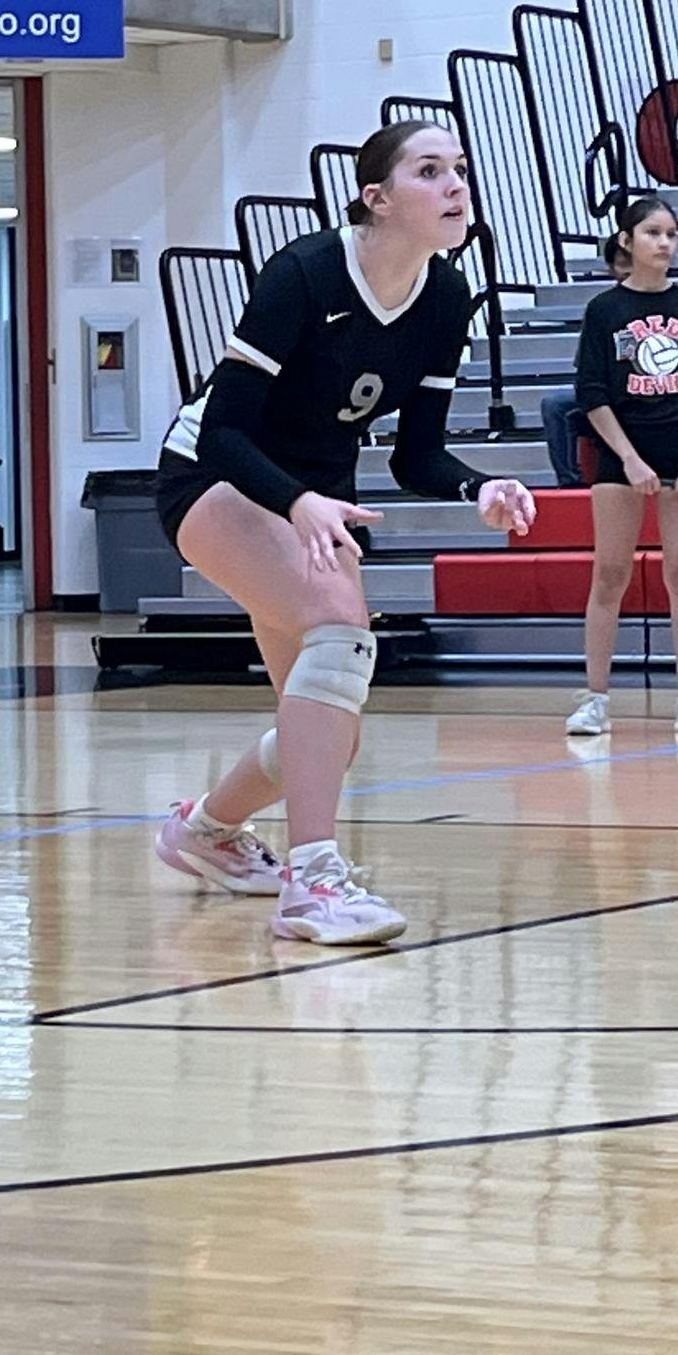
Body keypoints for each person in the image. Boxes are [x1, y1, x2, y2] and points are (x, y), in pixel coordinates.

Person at [153, 120, 537, 946]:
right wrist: (297, 503)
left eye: (460, 169)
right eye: (430, 171)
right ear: (379, 198)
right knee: (341, 636)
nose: (456, 185)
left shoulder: (444, 295)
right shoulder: (304, 272)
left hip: (311, 498)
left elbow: (417, 456)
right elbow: (223, 432)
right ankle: (313, 884)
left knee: (327, 729)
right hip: (213, 477)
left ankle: (205, 832)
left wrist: (481, 486)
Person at [569, 195, 678, 738]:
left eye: (672, 234)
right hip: (620, 455)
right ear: (627, 241)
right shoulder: (604, 311)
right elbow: (590, 392)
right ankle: (595, 699)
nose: (664, 243)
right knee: (609, 574)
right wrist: (629, 460)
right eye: (654, 233)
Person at [539, 238, 632, 486]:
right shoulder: (601, 310)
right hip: (608, 395)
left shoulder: (673, 303)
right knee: (555, 405)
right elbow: (586, 371)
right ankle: (570, 483)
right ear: (611, 269)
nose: (630, 271)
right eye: (623, 264)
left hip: (653, 395)